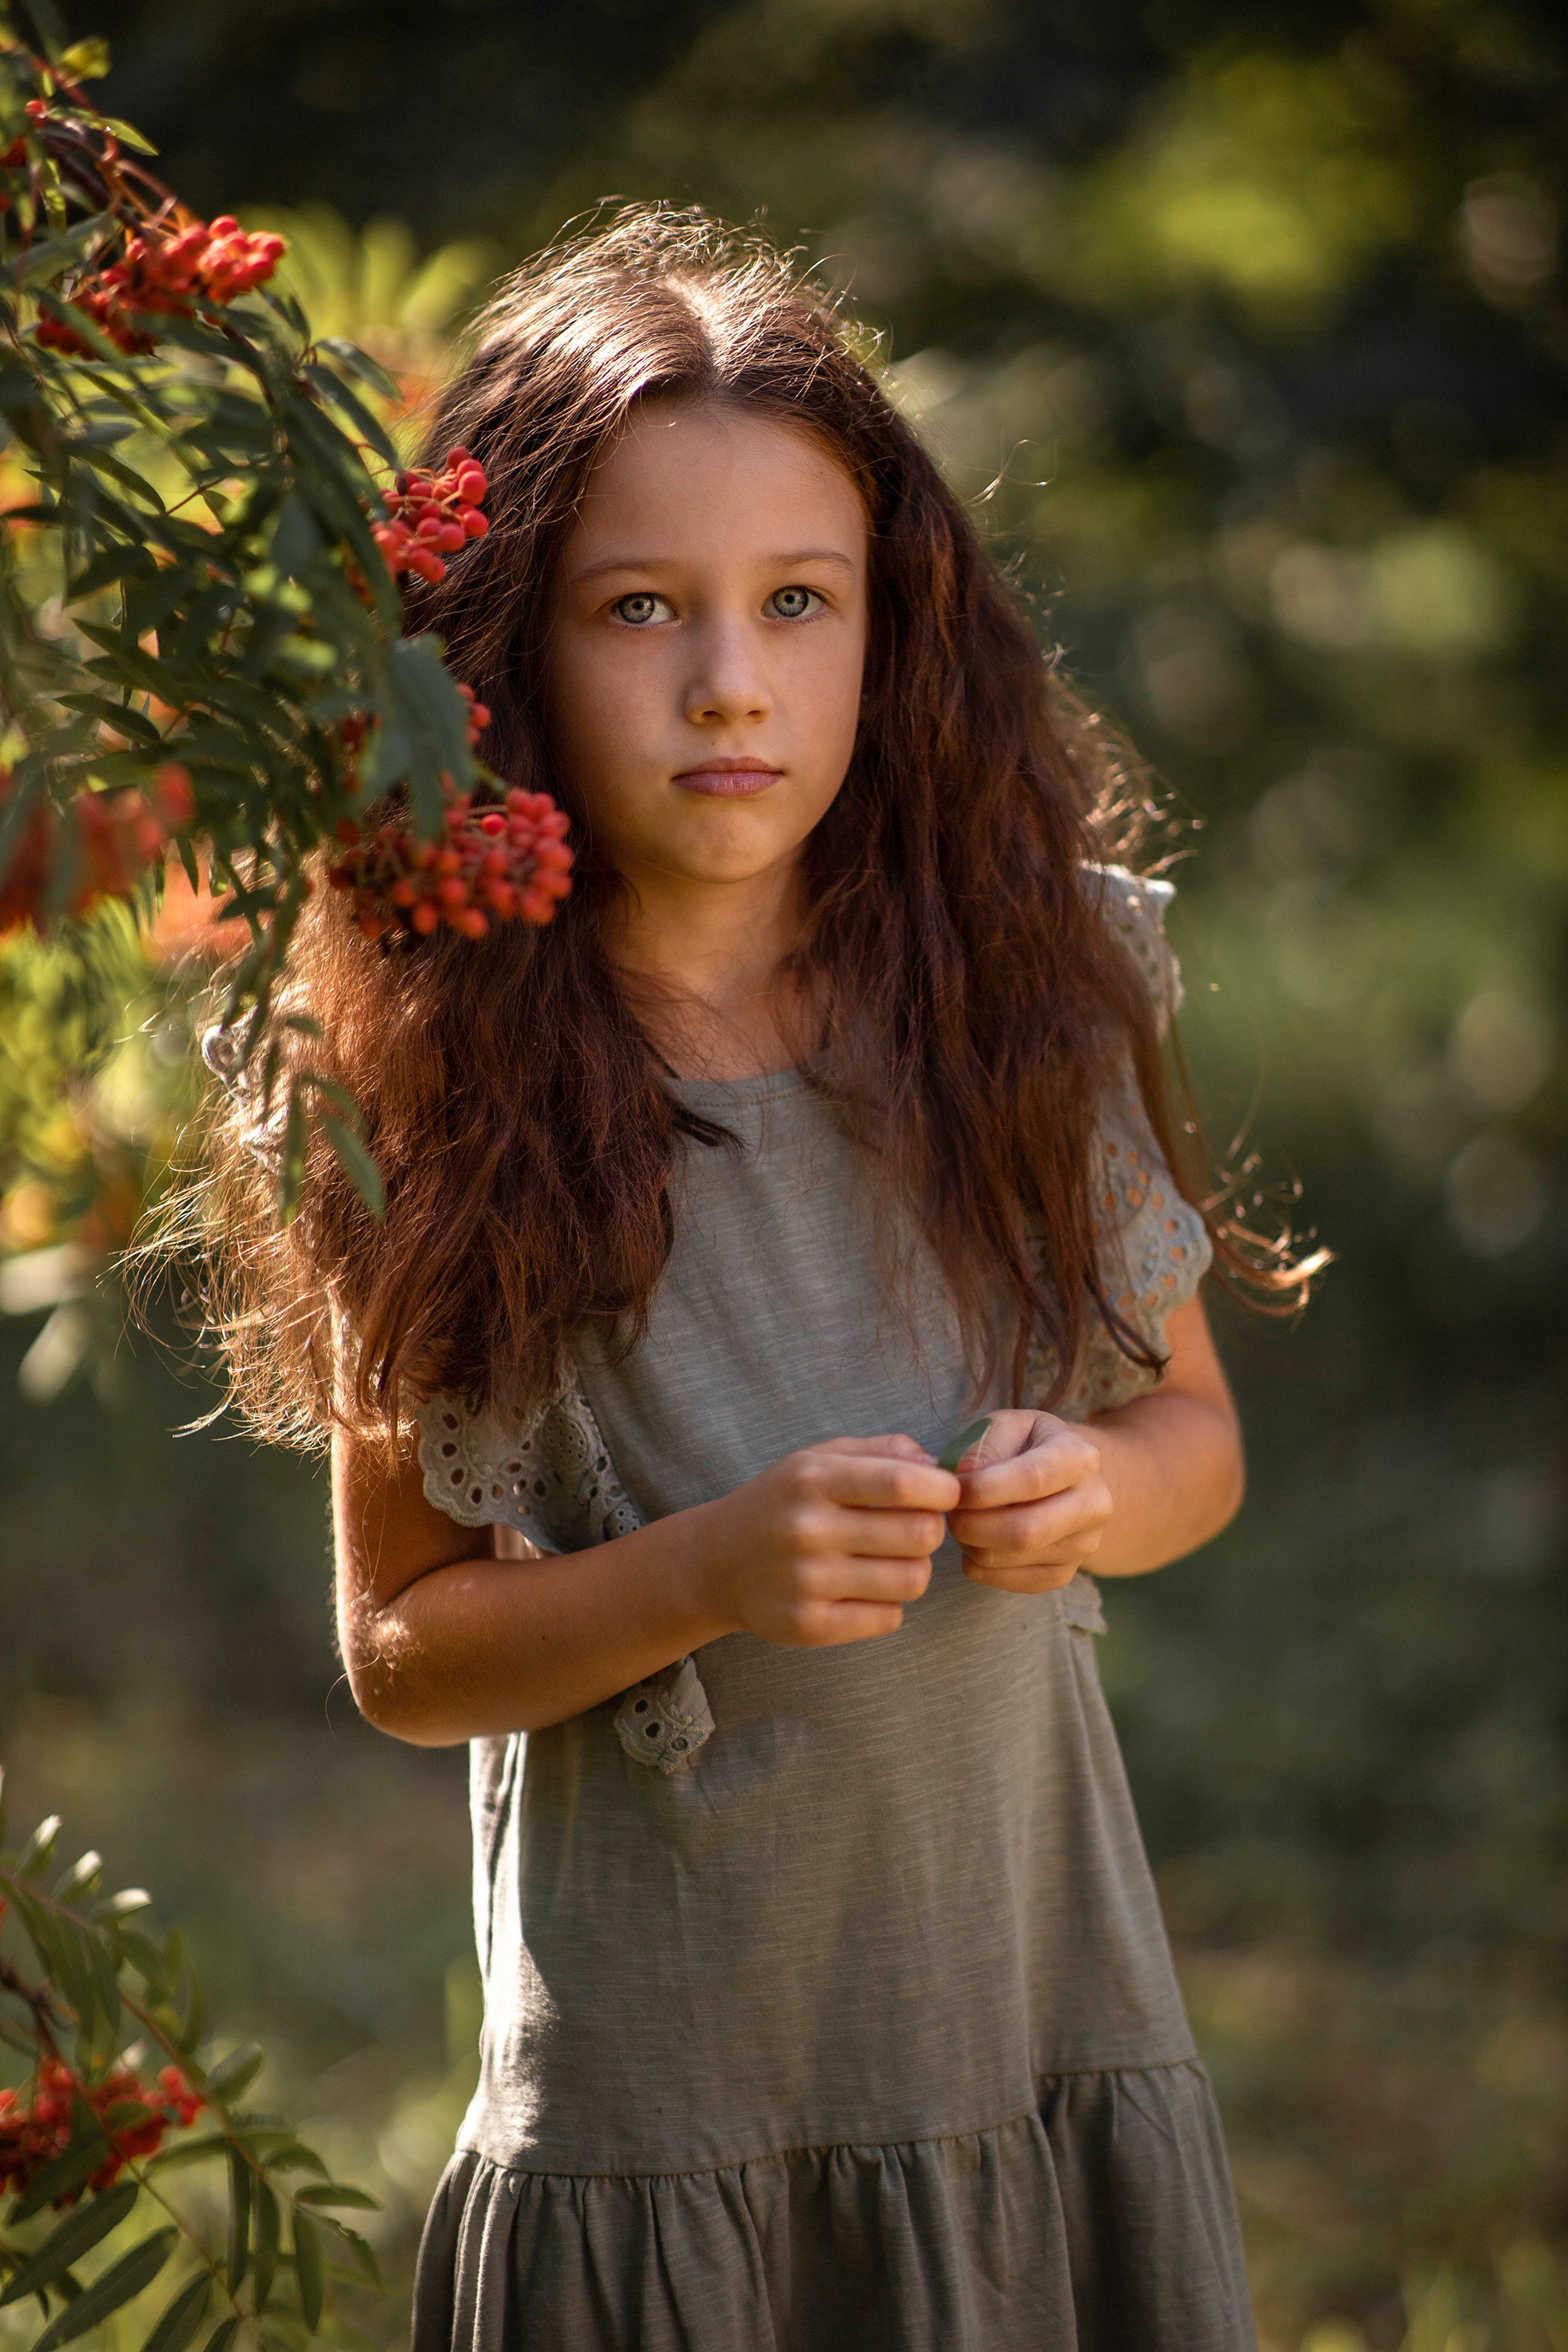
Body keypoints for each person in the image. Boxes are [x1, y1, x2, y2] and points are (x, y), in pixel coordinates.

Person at [201, 208, 1312, 2351]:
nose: (734, 680)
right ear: (503, 655)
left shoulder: (1027, 992)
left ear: (893, 634)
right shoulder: (424, 1082)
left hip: (1031, 2036)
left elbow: (1193, 1440)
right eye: (643, 610)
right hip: (661, 2124)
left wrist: (1096, 1491)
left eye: (799, 604)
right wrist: (713, 1568)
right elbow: (409, 1649)